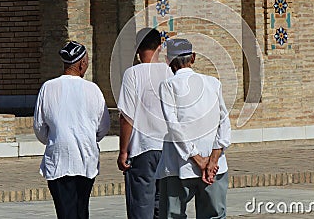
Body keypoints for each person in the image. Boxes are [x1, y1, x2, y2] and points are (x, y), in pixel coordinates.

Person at [33, 40, 110, 219]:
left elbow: (39, 127)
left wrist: (55, 137)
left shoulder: (48, 88)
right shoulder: (93, 89)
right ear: (82, 63)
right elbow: (103, 126)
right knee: (81, 210)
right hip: (86, 158)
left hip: (58, 157)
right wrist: (88, 137)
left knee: (65, 211)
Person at [156, 38, 231, 219]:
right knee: (214, 215)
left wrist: (197, 158)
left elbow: (174, 126)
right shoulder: (213, 83)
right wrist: (212, 160)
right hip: (214, 168)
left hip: (179, 165)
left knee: (173, 215)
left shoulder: (168, 85)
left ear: (168, 61)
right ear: (194, 57)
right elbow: (224, 122)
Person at [117, 28, 173, 219]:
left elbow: (126, 117)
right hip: (168, 149)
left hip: (143, 149)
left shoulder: (132, 74)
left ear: (137, 49)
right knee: (164, 207)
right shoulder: (169, 72)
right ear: (160, 46)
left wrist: (123, 151)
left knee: (141, 207)